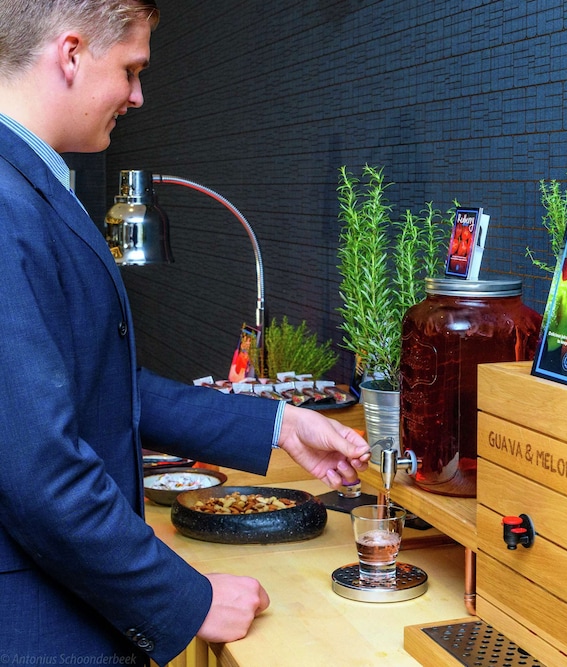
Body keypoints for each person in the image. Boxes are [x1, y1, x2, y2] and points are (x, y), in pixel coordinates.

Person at [0, 1, 370, 664]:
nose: (138, 96)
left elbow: (102, 388)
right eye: (131, 70)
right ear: (72, 54)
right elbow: (39, 474)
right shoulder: (6, 203)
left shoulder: (31, 184)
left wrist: (279, 423)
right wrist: (185, 599)